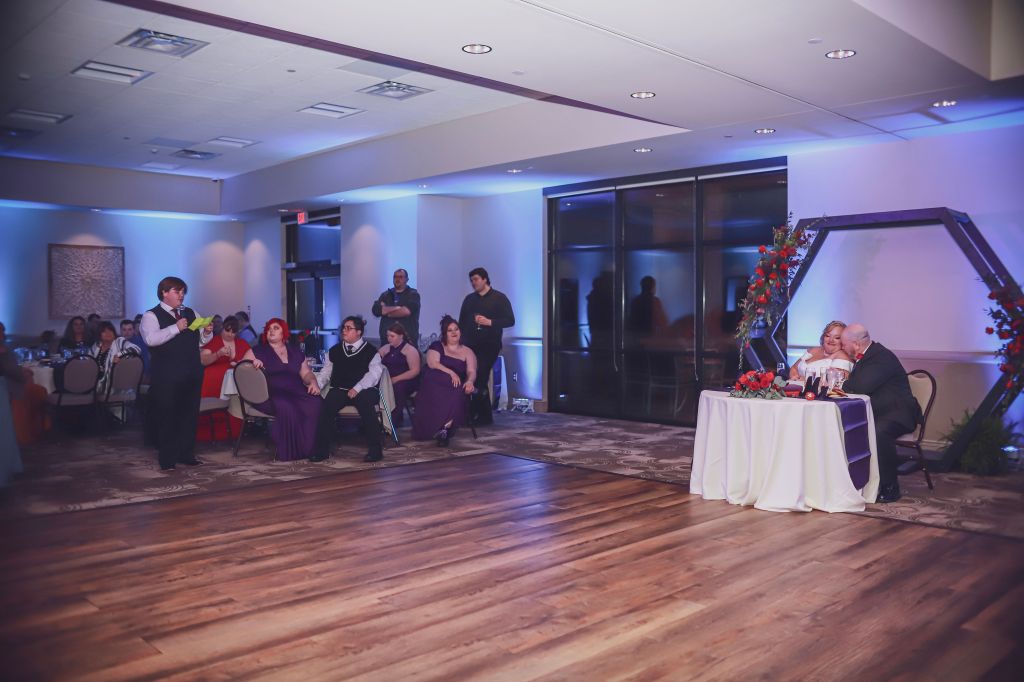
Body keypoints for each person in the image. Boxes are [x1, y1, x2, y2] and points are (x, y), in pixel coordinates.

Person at [841, 323, 922, 504]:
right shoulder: (869, 356)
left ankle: (890, 487)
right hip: (882, 411)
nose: (843, 348)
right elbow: (855, 385)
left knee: (879, 431)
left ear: (856, 344)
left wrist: (844, 383)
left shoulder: (881, 357)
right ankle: (855, 481)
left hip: (899, 413)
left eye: (844, 344)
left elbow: (859, 386)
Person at [141, 276, 213, 471]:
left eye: (183, 292)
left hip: (192, 372)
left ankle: (186, 454)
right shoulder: (151, 315)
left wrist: (207, 332)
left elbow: (200, 341)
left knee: (189, 415)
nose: (181, 295)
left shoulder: (191, 312)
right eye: (177, 291)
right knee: (168, 416)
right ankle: (167, 459)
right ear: (164, 292)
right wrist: (175, 327)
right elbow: (151, 339)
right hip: (167, 375)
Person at [242, 318, 321, 460]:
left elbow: (306, 374)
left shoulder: (296, 352)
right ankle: (293, 451)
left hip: (295, 392)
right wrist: (252, 364)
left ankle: (310, 448)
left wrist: (313, 382)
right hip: (269, 395)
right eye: (269, 328)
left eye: (276, 328)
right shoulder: (256, 351)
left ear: (284, 332)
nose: (271, 331)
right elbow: (241, 370)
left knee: (316, 402)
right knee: (287, 406)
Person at [310, 315, 384, 463]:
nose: (344, 331)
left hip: (364, 389)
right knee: (327, 406)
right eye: (343, 328)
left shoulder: (371, 351)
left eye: (349, 328)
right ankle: (321, 451)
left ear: (359, 332)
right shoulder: (335, 350)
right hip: (341, 389)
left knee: (365, 404)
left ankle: (375, 451)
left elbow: (374, 374)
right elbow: (326, 372)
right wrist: (317, 384)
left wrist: (357, 388)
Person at [458, 267, 514, 425]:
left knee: (481, 375)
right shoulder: (469, 299)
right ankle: (483, 415)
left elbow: (510, 320)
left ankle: (476, 414)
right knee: (473, 376)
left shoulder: (499, 298)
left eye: (476, 279)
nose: (473, 283)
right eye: (471, 280)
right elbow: (462, 322)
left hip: (490, 344)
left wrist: (490, 322)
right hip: (470, 345)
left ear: (485, 279)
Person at [412, 316, 477, 446]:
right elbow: (433, 363)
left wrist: (470, 381)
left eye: (456, 329)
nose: (454, 332)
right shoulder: (437, 346)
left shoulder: (467, 351)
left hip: (455, 384)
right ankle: (438, 427)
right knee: (442, 386)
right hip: (434, 380)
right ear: (444, 334)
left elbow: (472, 371)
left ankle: (445, 428)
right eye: (450, 330)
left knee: (459, 390)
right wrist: (451, 372)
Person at [197, 315, 250, 441]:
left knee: (236, 405)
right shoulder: (214, 341)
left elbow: (250, 361)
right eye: (227, 330)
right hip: (213, 383)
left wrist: (241, 364)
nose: (230, 334)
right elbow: (203, 360)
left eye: (233, 332)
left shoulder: (242, 343)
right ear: (222, 328)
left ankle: (235, 432)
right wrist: (218, 354)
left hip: (236, 383)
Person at [1, 321, 50, 445]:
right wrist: (24, 375)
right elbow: (10, 370)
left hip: (13, 381)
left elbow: (12, 368)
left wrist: (22, 371)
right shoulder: (3, 351)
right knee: (36, 391)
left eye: (2, 331)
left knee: (39, 391)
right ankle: (24, 435)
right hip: (8, 386)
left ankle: (39, 429)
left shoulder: (5, 349)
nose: (2, 334)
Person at [378, 322, 421, 427]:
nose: (389, 338)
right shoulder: (385, 348)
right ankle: (378, 418)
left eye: (392, 336)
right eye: (388, 336)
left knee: (397, 387)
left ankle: (394, 420)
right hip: (388, 379)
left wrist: (396, 379)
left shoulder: (410, 350)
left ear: (401, 336)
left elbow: (415, 371)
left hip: (406, 380)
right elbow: (374, 363)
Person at [789, 320, 854, 381]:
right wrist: (795, 378)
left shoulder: (843, 356)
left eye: (837, 338)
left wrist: (805, 380)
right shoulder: (813, 350)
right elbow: (794, 368)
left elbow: (835, 381)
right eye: (827, 336)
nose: (831, 340)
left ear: (844, 340)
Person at [371, 268, 421, 346]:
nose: (397, 279)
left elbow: (406, 311)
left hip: (407, 342)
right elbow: (376, 310)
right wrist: (398, 308)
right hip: (386, 342)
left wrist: (386, 311)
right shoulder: (385, 295)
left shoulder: (413, 295)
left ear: (407, 279)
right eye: (395, 277)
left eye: (400, 277)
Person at [90, 320, 140, 395]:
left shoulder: (119, 341)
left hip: (114, 385)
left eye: (110, 331)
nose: (108, 333)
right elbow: (89, 361)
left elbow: (136, 349)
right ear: (99, 334)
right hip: (95, 382)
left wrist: (120, 355)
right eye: (104, 331)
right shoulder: (96, 345)